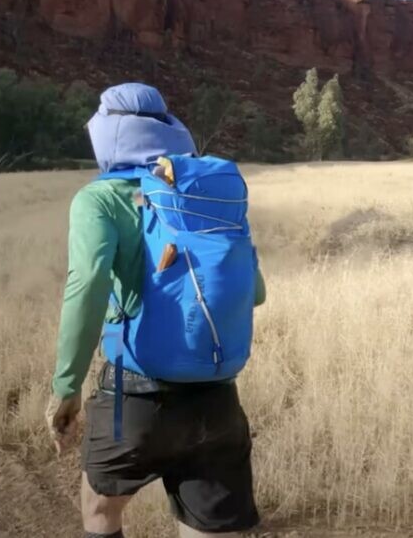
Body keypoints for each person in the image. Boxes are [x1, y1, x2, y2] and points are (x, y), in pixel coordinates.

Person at [46, 82, 266, 538]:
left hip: (134, 398)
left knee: (100, 511)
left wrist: (66, 387)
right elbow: (256, 292)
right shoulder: (205, 195)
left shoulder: (100, 198)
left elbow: (87, 286)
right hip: (217, 400)